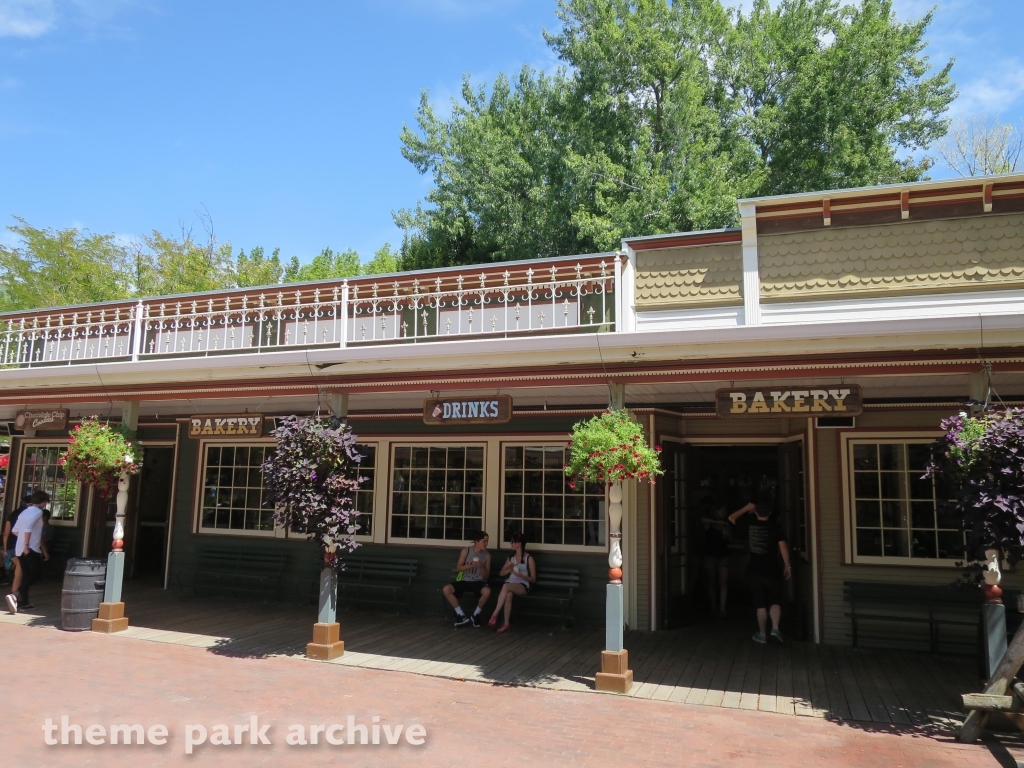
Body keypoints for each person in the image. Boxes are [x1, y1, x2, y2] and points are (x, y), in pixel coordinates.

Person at [728, 500, 791, 644]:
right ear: (770, 513)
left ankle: (762, 634)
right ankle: (775, 628)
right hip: (772, 570)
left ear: (755, 512)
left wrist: (746, 508)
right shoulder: (776, 527)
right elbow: (783, 549)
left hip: (755, 571)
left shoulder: (749, 526)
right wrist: (788, 566)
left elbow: (731, 518)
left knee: (760, 604)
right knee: (775, 600)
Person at [6, 490, 49, 614]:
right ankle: (15, 595)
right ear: (42, 501)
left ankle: (23, 603)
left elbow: (15, 530)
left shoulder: (25, 511)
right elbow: (28, 528)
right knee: (35, 575)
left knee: (26, 575)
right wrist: (26, 544)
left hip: (19, 548)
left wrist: (22, 541)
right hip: (30, 548)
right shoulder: (38, 512)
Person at [489, 531, 536, 633]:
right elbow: (501, 573)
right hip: (510, 583)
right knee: (509, 595)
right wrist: (510, 570)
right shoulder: (511, 557)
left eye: (513, 542)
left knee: (506, 587)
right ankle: (506, 624)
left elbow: (533, 578)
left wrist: (522, 575)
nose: (511, 544)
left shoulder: (528, 558)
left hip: (523, 585)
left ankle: (495, 614)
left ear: (519, 544)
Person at [442, 530, 492, 628]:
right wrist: (468, 566)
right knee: (446, 589)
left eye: (487, 541)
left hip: (479, 581)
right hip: (465, 580)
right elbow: (458, 568)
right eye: (484, 541)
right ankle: (461, 615)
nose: (486, 544)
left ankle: (476, 615)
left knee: (487, 592)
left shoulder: (487, 555)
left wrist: (481, 567)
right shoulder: (466, 551)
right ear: (476, 541)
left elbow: (486, 576)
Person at [701, 501, 731, 618]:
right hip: (710, 555)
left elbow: (731, 539)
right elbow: (702, 520)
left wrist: (726, 530)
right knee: (711, 582)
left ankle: (722, 608)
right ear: (716, 511)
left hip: (723, 554)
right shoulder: (709, 523)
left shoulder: (725, 523)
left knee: (723, 582)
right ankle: (713, 606)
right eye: (722, 510)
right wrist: (717, 522)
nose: (724, 513)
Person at [1, 494, 31, 588]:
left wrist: (6, 548)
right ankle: (16, 591)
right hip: (23, 545)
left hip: (11, 545)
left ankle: (15, 588)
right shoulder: (30, 515)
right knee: (21, 569)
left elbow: (6, 533)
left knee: (20, 567)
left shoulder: (13, 514)